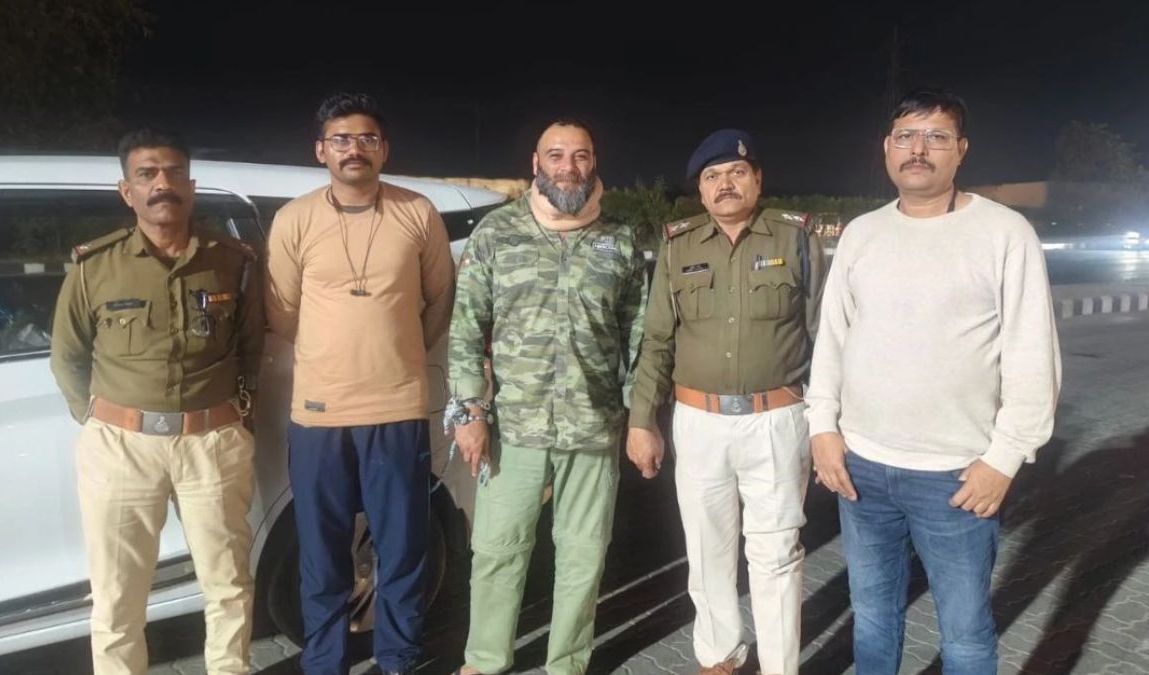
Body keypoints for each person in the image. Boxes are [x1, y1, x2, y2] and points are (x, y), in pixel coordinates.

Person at [805, 87, 1062, 675]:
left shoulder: (1003, 233)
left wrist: (1005, 458)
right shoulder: (862, 234)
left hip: (957, 477)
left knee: (965, 635)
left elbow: (1033, 354)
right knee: (873, 616)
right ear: (886, 149)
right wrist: (822, 429)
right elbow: (833, 339)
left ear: (961, 150)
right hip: (862, 470)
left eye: (936, 137)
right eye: (906, 137)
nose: (918, 149)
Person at [50, 127, 263, 675]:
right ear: (128, 191)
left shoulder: (232, 261)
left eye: (173, 173)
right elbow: (67, 357)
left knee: (228, 583)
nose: (162, 184)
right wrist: (100, 419)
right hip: (121, 446)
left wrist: (237, 419)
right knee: (117, 594)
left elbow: (251, 349)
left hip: (212, 444)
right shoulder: (95, 267)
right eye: (147, 174)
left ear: (190, 186)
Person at [264, 92, 455, 675]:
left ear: (384, 149)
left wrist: (398, 350)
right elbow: (282, 313)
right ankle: (325, 662)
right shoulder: (294, 219)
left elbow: (439, 298)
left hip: (396, 409)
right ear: (320, 150)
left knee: (402, 548)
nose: (354, 149)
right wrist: (335, 353)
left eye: (367, 139)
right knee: (321, 553)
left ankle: (397, 658)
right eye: (341, 139)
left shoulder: (417, 212)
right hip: (318, 415)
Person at [448, 119, 647, 675]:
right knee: (497, 550)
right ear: (536, 165)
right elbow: (466, 327)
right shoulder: (498, 232)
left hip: (593, 426)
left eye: (580, 155)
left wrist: (641, 416)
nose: (568, 167)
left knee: (583, 555)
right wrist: (469, 411)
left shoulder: (620, 238)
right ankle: (485, 660)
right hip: (514, 428)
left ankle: (567, 664)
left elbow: (639, 335)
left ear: (593, 162)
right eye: (556, 155)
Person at [626, 129, 826, 675]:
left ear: (757, 179)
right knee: (707, 550)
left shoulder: (795, 238)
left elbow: (825, 335)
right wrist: (642, 420)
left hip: (777, 419)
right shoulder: (679, 244)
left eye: (737, 172)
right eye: (712, 177)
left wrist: (831, 423)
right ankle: (719, 657)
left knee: (776, 554)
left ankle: (780, 667)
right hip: (699, 423)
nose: (726, 184)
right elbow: (658, 340)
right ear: (701, 190)